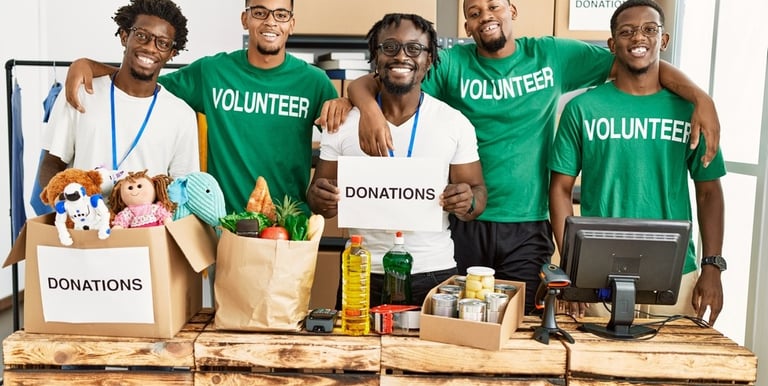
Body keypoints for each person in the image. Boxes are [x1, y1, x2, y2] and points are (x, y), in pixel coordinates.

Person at [319, 0, 723, 314]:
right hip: (463, 221)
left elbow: (637, 60)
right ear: (467, 26)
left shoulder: (551, 56)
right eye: (474, 12)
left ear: (513, 11)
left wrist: (699, 98)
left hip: (527, 223)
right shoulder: (454, 64)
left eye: (494, 6)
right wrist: (365, 107)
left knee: (523, 325)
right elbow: (394, 74)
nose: (486, 16)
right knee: (460, 325)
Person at [64, 0, 339, 214]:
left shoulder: (314, 82)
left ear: (291, 23)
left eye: (281, 14)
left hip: (291, 227)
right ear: (245, 19)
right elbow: (144, 80)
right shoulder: (212, 72)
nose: (270, 22)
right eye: (259, 12)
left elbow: (339, 136)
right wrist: (90, 65)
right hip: (226, 225)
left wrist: (353, 99)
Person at [548, 0, 726, 326]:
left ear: (664, 40)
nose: (638, 38)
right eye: (626, 31)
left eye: (649, 29)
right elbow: (559, 189)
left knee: (674, 371)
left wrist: (712, 266)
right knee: (597, 372)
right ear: (613, 45)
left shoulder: (691, 112)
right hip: (598, 273)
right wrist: (572, 268)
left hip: (677, 272)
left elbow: (709, 192)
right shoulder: (583, 109)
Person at [307, 13, 487, 307]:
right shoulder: (341, 123)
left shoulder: (454, 123)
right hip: (362, 270)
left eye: (414, 48)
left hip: (433, 273)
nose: (401, 56)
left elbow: (478, 196)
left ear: (429, 61)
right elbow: (318, 202)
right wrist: (320, 197)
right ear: (375, 57)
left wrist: (467, 200)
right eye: (389, 47)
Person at [39, 0, 199, 192]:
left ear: (171, 53)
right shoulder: (80, 93)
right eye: (141, 35)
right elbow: (52, 164)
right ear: (125, 36)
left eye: (162, 43)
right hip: (85, 219)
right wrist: (65, 204)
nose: (150, 47)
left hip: (147, 221)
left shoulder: (182, 115)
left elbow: (181, 188)